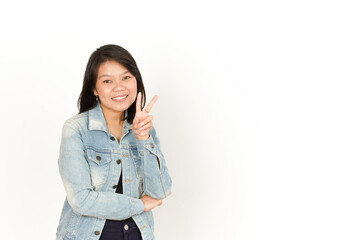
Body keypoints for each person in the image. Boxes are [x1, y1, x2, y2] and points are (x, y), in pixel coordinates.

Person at [55, 44, 172, 240]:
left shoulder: (143, 128)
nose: (119, 87)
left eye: (126, 77)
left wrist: (143, 139)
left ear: (136, 80)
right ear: (94, 88)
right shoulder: (76, 130)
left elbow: (160, 191)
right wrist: (139, 205)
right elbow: (81, 200)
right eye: (107, 81)